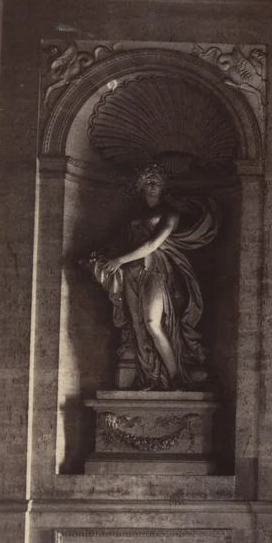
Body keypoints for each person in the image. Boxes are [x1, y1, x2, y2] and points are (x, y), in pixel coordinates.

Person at [85, 163, 217, 390]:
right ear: (141, 186)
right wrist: (105, 256)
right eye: (149, 181)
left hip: (154, 269)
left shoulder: (169, 212)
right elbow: (125, 241)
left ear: (163, 186)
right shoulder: (137, 215)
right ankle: (151, 377)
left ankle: (176, 378)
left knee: (153, 323)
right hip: (130, 271)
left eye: (157, 181)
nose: (153, 185)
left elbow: (153, 244)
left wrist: (119, 260)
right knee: (137, 325)